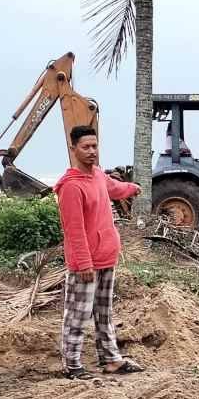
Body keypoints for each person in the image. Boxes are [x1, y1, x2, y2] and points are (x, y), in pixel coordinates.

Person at [54, 125, 145, 379]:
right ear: (73, 149)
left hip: (106, 257)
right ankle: (72, 365)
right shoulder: (71, 187)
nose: (92, 151)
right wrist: (84, 264)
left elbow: (114, 188)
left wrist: (132, 188)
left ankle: (111, 360)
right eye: (86, 147)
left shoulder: (97, 175)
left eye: (94, 146)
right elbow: (74, 230)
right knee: (78, 315)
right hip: (87, 264)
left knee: (104, 313)